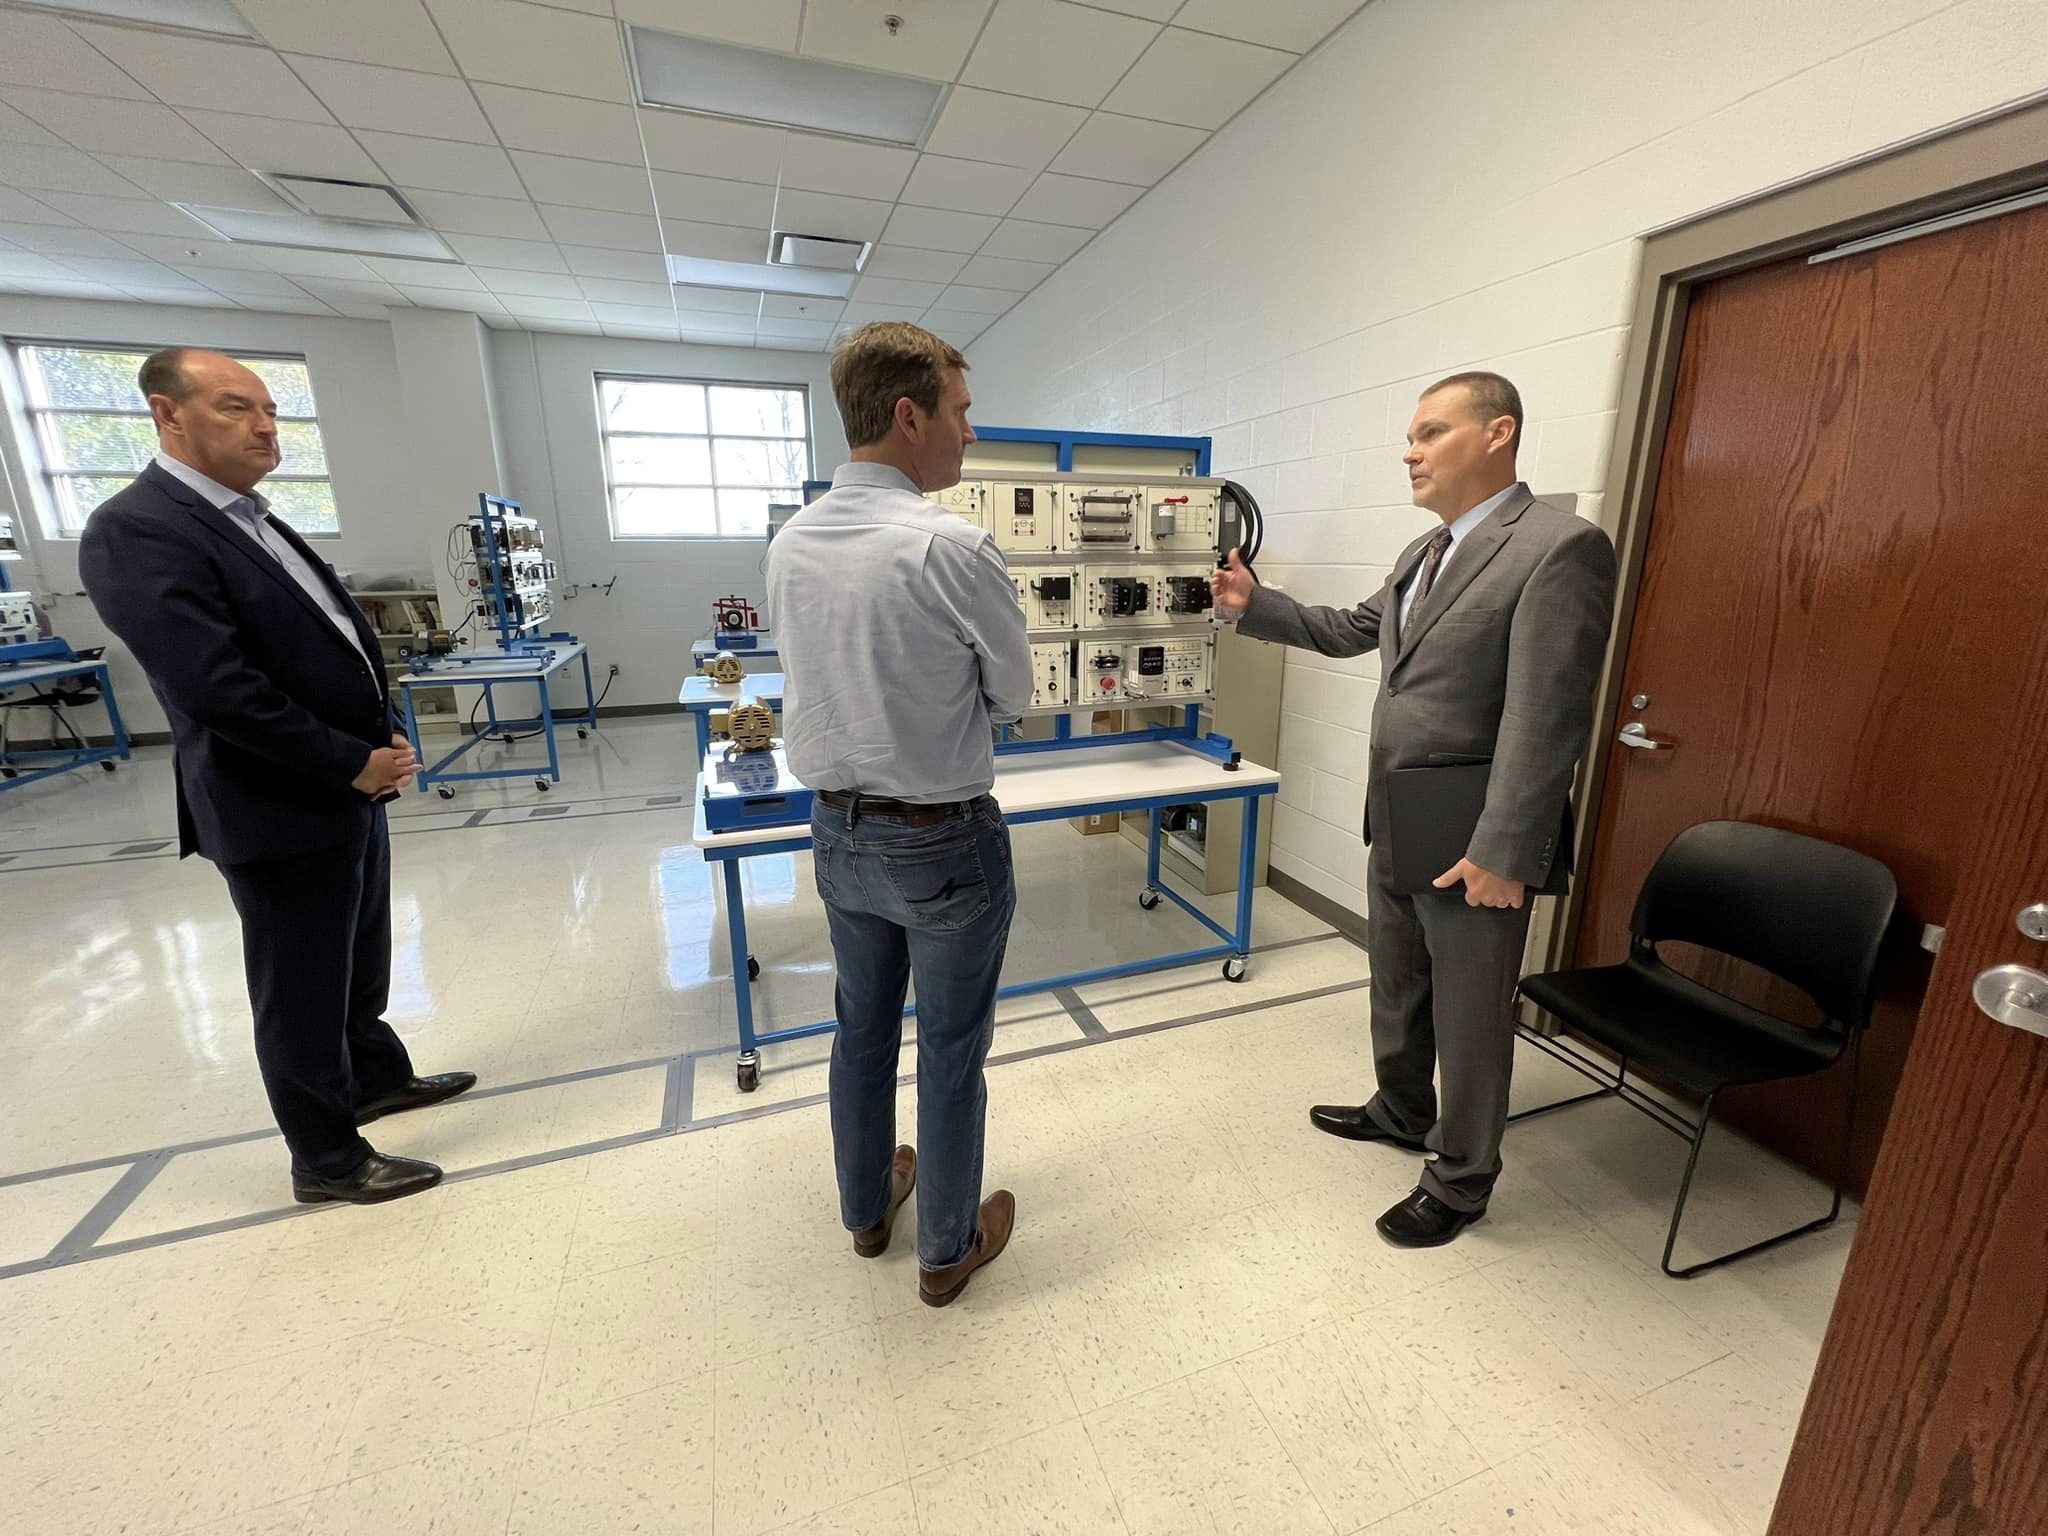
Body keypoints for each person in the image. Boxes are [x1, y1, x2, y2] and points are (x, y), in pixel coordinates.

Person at [1212, 371, 1616, 1247]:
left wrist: (1508, 850)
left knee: (1471, 1013)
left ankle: (1464, 1176)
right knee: (1396, 980)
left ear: (1498, 433)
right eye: (1412, 435)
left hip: (1477, 830)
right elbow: (1357, 629)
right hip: (1397, 814)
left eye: (1431, 432)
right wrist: (1255, 607)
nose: (1410, 450)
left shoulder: (1558, 547)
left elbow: (1548, 718)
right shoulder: (1425, 552)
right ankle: (1401, 1109)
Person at [78, 348, 475, 1206]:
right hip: (276, 804)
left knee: (357, 962)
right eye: (234, 408)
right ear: (166, 414)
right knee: (298, 985)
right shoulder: (137, 528)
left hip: (347, 791)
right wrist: (347, 759)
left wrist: (380, 732)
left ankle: (372, 1078)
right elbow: (214, 687)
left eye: (271, 412)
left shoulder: (253, 518)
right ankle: (327, 1157)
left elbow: (326, 638)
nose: (264, 428)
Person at [766, 322, 1032, 1306]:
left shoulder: (790, 543)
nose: (968, 432)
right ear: (909, 414)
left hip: (838, 833)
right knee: (951, 1052)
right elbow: (1014, 694)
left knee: (861, 1032)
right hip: (942, 840)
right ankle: (945, 1252)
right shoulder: (950, 546)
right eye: (959, 412)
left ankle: (868, 1211)